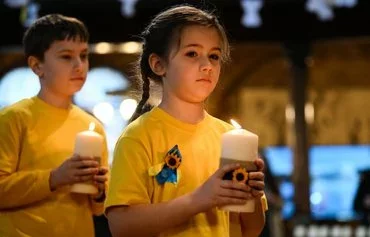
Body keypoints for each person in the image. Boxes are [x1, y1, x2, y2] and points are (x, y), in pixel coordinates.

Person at [105, 5, 267, 237]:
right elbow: (122, 226)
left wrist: (249, 195)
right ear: (158, 64)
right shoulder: (139, 136)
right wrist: (199, 199)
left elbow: (251, 229)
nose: (207, 66)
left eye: (214, 56)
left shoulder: (230, 138)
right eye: (192, 53)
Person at [0, 14, 109, 236]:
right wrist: (54, 178)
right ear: (37, 65)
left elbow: (98, 209)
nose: (79, 66)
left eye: (84, 55)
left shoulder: (92, 126)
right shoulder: (14, 118)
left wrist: (100, 191)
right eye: (66, 57)